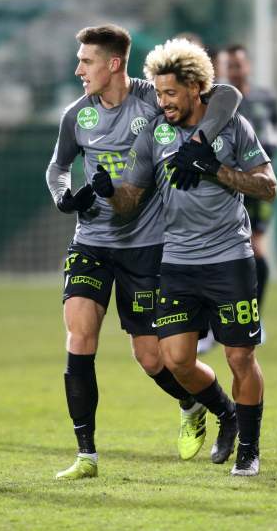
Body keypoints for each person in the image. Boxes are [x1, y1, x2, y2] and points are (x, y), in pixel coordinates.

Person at [45, 24, 241, 480]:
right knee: (79, 338)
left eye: (86, 61)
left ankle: (214, 408)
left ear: (113, 63)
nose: (78, 70)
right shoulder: (77, 115)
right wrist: (62, 196)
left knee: (153, 359)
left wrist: (199, 140)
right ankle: (86, 456)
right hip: (92, 242)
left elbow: (228, 95)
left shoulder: (153, 99)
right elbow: (57, 167)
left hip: (147, 247)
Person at [92, 38, 277, 476]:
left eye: (171, 93)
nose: (163, 102)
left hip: (230, 257)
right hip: (176, 262)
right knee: (175, 360)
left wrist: (216, 169)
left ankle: (249, 450)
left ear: (195, 87)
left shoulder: (232, 127)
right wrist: (108, 193)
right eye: (159, 94)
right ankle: (226, 412)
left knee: (240, 358)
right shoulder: (153, 133)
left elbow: (268, 186)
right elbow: (130, 200)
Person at [197, 44, 277, 353]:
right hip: (221, 183)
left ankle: (252, 317)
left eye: (238, 64)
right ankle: (211, 325)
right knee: (213, 251)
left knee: (255, 250)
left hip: (253, 183)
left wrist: (257, 159)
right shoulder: (216, 101)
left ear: (247, 66)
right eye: (228, 65)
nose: (233, 70)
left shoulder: (264, 98)